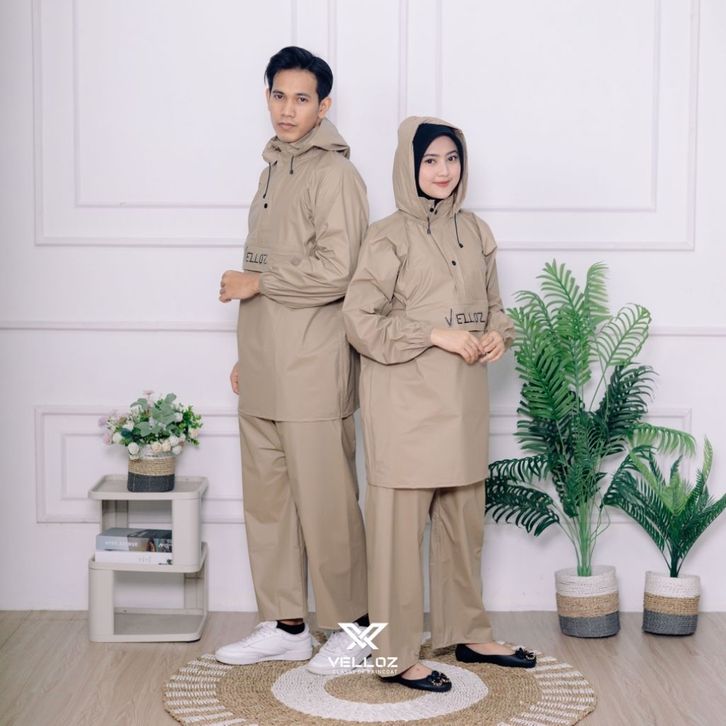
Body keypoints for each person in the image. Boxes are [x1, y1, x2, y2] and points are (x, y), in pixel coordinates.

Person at [342, 116, 536, 692]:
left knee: (461, 527)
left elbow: (495, 306)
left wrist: (499, 334)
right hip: (405, 408)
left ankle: (468, 632)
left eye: (452, 159)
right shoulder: (387, 236)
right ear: (409, 165)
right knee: (397, 541)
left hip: (463, 404)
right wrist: (433, 333)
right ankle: (394, 655)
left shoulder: (476, 231)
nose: (443, 170)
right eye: (430, 160)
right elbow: (359, 321)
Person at [215, 46, 370, 675]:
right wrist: (247, 355)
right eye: (279, 95)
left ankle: (356, 630)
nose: (287, 108)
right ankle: (285, 626)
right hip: (266, 368)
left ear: (323, 106)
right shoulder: (272, 170)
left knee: (328, 506)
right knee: (269, 504)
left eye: (302, 98)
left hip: (312, 370)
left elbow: (341, 271)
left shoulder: (335, 175)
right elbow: (268, 267)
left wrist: (257, 283)